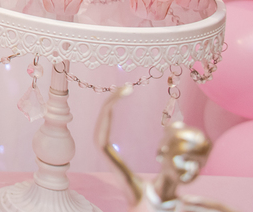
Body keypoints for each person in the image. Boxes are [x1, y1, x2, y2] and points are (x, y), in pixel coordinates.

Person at [96, 85, 236, 212]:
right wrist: (109, 105)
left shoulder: (187, 205)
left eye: (198, 163)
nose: (191, 169)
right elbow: (104, 145)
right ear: (162, 154)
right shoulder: (141, 193)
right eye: (185, 159)